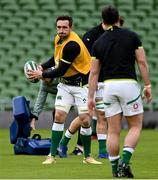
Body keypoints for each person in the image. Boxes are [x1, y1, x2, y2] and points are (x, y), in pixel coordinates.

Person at [88, 6, 152, 178]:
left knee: (112, 131)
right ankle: (125, 161)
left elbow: (93, 72)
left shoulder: (98, 42)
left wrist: (90, 97)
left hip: (108, 86)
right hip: (128, 85)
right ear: (118, 18)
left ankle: (115, 170)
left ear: (104, 21)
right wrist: (147, 86)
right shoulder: (131, 36)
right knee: (135, 125)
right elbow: (142, 62)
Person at [28, 15, 102, 165]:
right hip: (65, 86)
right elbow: (56, 58)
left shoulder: (72, 45)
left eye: (64, 27)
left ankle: (87, 156)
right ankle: (52, 155)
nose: (61, 30)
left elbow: (61, 69)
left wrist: (41, 74)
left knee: (86, 120)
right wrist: (43, 65)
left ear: (70, 27)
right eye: (59, 27)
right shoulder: (58, 39)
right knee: (59, 116)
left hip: (81, 85)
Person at [58, 15, 124, 159]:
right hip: (90, 80)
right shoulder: (91, 36)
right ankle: (63, 143)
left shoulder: (116, 37)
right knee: (85, 117)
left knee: (101, 115)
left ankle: (102, 151)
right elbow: (83, 60)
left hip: (105, 81)